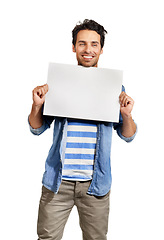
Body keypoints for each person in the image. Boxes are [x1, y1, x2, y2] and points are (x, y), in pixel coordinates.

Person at [28, 19, 137, 240]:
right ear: (73, 47)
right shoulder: (57, 83)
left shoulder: (114, 87)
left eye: (94, 44)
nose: (88, 50)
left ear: (101, 49)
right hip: (57, 182)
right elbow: (37, 128)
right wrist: (37, 105)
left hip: (95, 184)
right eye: (82, 43)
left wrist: (126, 115)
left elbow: (128, 135)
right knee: (46, 238)